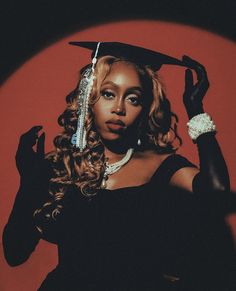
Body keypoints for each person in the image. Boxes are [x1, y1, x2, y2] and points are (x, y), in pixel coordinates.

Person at [2, 42, 235, 291]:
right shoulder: (62, 166)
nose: (119, 109)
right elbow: (15, 253)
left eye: (133, 99)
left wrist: (196, 110)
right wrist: (29, 181)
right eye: (108, 94)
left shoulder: (161, 165)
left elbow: (216, 190)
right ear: (88, 98)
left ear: (146, 109)